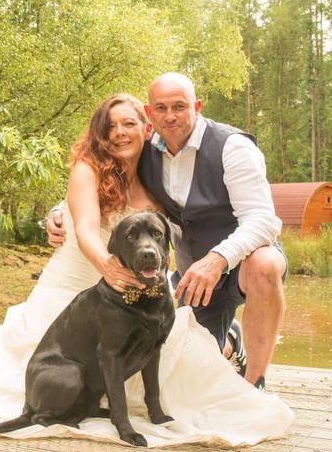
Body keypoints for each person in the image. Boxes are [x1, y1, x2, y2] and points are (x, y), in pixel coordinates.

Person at [0, 93, 293, 446]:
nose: (120, 133)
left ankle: (231, 346)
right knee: (40, 376)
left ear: (147, 127)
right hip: (81, 284)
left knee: (180, 364)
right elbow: (88, 227)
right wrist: (97, 257)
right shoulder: (87, 169)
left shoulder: (157, 167)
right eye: (110, 127)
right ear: (99, 134)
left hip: (140, 292)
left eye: (129, 124)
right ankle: (224, 342)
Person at [46, 73, 286, 390]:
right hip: (191, 276)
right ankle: (229, 341)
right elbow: (101, 190)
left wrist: (216, 260)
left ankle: (255, 383)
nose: (170, 116)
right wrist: (56, 214)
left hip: (237, 262)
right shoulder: (147, 152)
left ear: (196, 106)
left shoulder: (232, 147)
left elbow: (262, 219)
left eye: (179, 106)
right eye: (161, 108)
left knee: (265, 263)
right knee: (184, 376)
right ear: (151, 116)